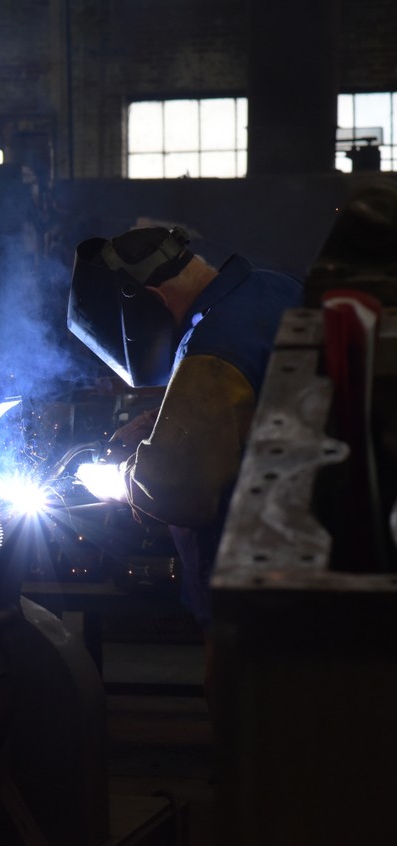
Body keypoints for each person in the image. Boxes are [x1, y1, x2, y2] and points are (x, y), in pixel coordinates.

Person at [67, 226, 302, 686]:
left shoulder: (211, 346)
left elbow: (176, 488)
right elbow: (256, 401)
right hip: (309, 573)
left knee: (254, 723)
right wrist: (166, 418)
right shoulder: (271, 289)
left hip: (256, 602)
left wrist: (122, 476)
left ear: (151, 301)